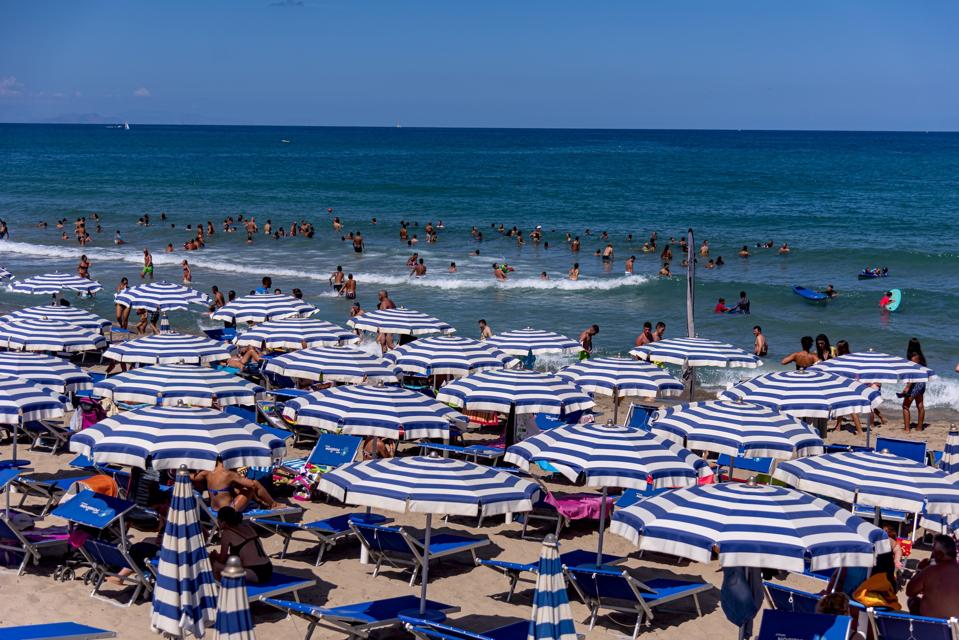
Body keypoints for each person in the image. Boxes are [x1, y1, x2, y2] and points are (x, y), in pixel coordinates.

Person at [209, 506, 273, 584]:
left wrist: (216, 558)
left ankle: (219, 587)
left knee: (217, 566)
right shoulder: (247, 527)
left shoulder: (227, 533)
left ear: (223, 522)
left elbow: (222, 559)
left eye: (218, 519)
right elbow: (245, 555)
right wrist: (218, 555)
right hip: (268, 568)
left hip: (255, 572)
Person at [192, 459, 278, 512]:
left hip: (214, 508)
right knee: (254, 484)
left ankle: (261, 503)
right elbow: (252, 485)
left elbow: (193, 477)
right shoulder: (229, 474)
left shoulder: (207, 472)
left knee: (239, 487)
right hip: (230, 510)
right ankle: (274, 504)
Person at [906, 535, 959, 619]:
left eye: (933, 550)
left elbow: (910, 592)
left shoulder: (930, 571)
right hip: (955, 624)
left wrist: (919, 571)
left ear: (939, 554)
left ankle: (918, 624)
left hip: (931, 623)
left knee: (912, 601)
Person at [901, 337, 927, 432]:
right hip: (922, 382)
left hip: (916, 383)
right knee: (920, 405)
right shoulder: (920, 356)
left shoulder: (913, 357)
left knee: (905, 406)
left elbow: (913, 373)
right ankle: (919, 428)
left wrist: (908, 387)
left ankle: (907, 429)